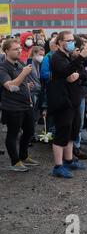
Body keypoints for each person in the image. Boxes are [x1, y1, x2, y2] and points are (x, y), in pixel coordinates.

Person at [47, 31, 87, 178]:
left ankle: (69, 160)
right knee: (62, 133)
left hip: (73, 100)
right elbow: (67, 73)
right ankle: (58, 166)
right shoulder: (56, 57)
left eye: (72, 40)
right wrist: (80, 59)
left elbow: (83, 75)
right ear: (59, 43)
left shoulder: (69, 56)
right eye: (68, 40)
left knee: (72, 132)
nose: (72, 42)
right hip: (62, 101)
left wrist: (77, 71)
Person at [0, 39, 37, 172]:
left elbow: (19, 83)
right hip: (12, 107)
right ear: (6, 51)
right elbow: (10, 86)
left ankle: (24, 156)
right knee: (13, 134)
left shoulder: (20, 64)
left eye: (19, 48)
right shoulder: (3, 67)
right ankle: (15, 162)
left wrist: (26, 85)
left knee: (30, 131)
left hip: (26, 104)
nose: (19, 51)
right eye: (15, 49)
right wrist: (23, 74)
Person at [27, 46, 45, 140]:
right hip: (31, 92)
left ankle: (32, 134)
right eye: (40, 54)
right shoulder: (28, 62)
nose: (42, 57)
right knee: (31, 115)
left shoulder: (40, 64)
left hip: (39, 91)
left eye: (43, 55)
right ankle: (28, 135)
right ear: (34, 54)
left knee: (36, 115)